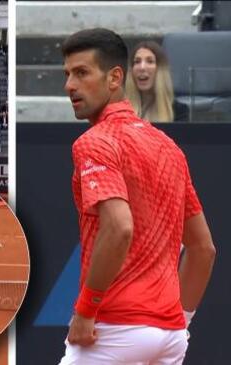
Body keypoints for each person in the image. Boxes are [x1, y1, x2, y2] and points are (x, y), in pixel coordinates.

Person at [59, 28, 216, 364]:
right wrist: (180, 323)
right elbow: (203, 249)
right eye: (68, 74)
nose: (69, 85)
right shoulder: (169, 148)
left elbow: (119, 228)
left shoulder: (94, 142)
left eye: (82, 73)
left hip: (114, 329)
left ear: (115, 77)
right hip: (170, 336)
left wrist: (86, 311)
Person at [124, 41, 185, 122]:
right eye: (137, 62)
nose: (142, 67)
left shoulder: (179, 111)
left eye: (150, 61)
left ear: (160, 70)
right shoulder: (119, 109)